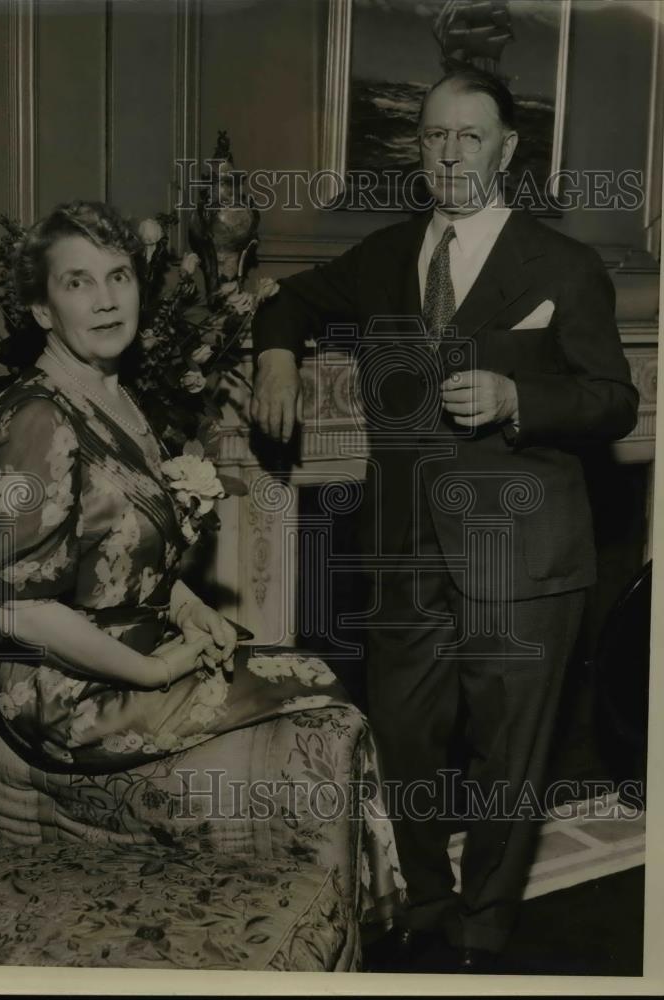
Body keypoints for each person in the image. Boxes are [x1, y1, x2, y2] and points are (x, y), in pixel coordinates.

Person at [251, 68, 639, 972]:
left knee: (511, 756)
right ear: (415, 149)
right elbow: (291, 299)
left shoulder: (564, 266)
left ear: (506, 150)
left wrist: (516, 395)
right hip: (402, 556)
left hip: (524, 555)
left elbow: (614, 403)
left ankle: (484, 929)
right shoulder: (386, 254)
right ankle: (425, 906)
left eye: (470, 137)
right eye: (433, 136)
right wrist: (275, 355)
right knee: (405, 740)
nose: (449, 154)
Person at [0, 201, 404, 931]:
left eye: (119, 275)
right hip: (57, 686)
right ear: (39, 307)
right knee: (319, 695)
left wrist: (185, 603)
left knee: (318, 681)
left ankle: (344, 924)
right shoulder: (34, 419)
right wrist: (157, 673)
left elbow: (115, 551)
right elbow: (10, 606)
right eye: (77, 282)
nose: (105, 299)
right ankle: (360, 921)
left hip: (125, 639)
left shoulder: (114, 397)